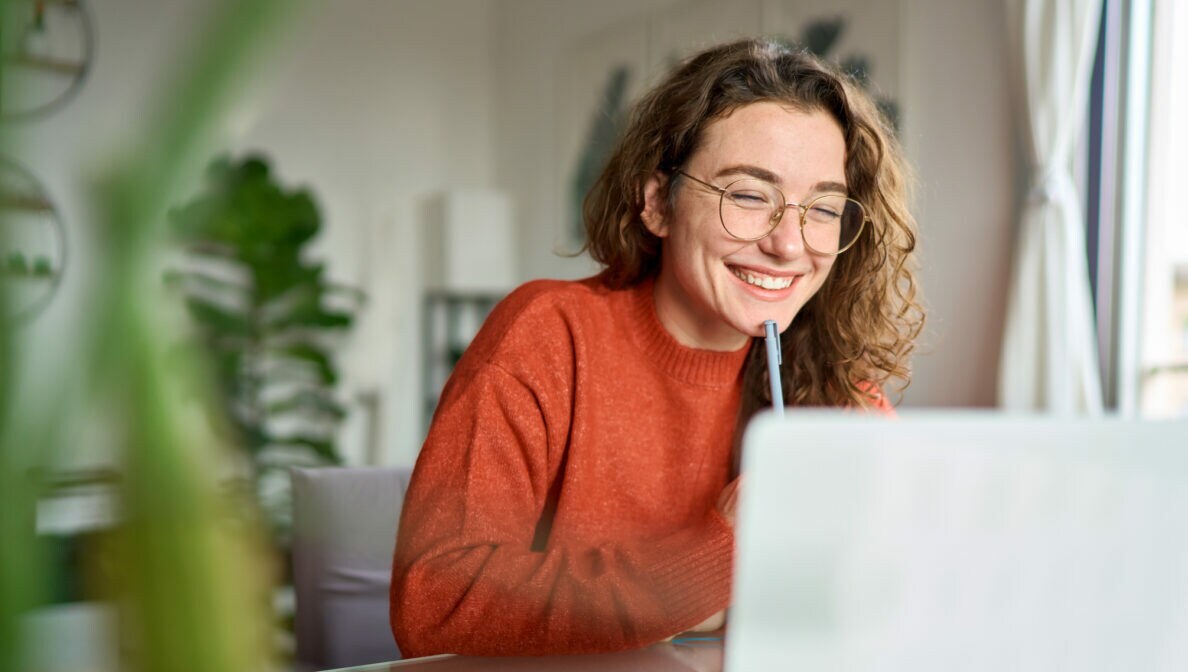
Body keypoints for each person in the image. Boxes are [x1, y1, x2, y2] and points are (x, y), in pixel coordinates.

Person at [390, 38, 923, 657]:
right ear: (656, 203)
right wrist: (719, 553)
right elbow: (434, 603)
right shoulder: (548, 335)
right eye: (748, 195)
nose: (788, 243)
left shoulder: (834, 384)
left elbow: (897, 596)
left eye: (823, 208)